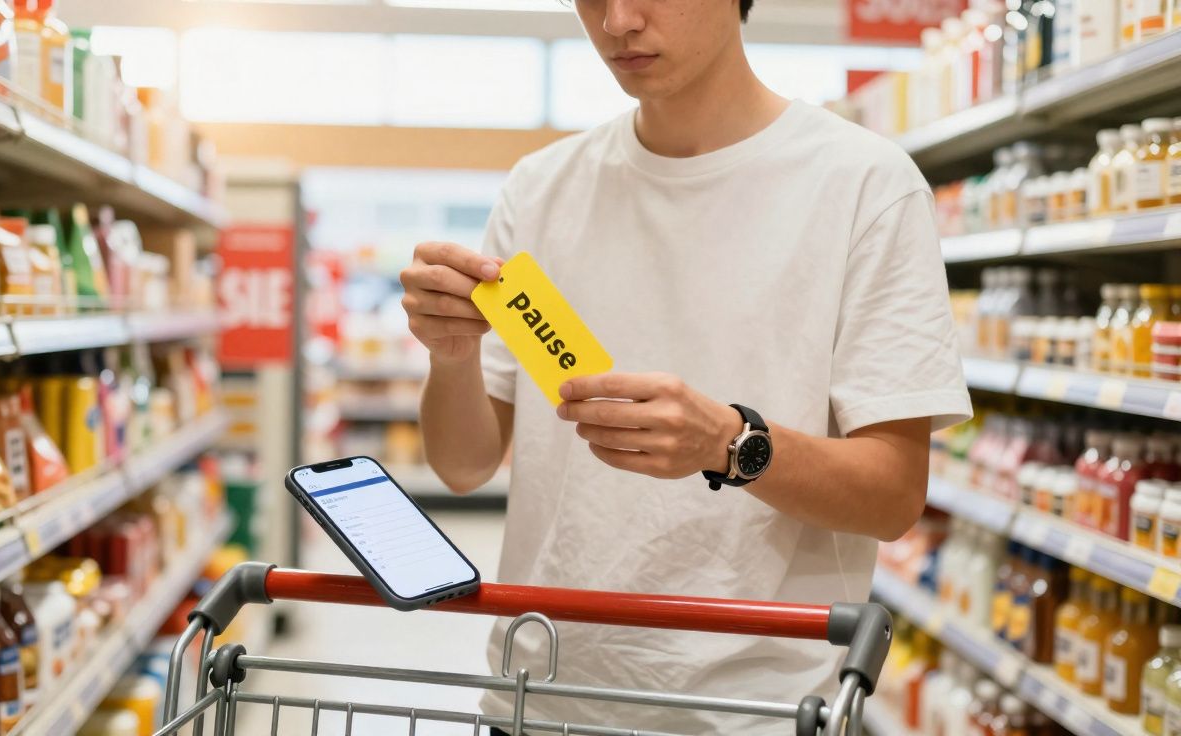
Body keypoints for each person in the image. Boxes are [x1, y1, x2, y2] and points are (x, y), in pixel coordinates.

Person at [399, 0, 972, 731]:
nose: (617, 22)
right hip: (535, 699)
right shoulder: (541, 186)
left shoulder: (865, 185)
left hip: (747, 714)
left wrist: (731, 445)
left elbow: (893, 498)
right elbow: (463, 465)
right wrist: (452, 357)